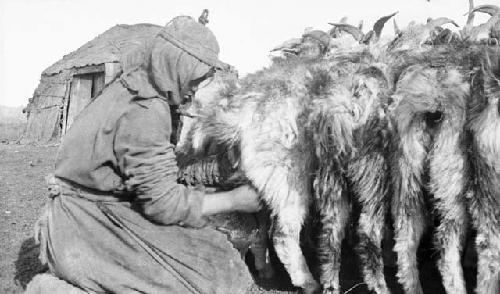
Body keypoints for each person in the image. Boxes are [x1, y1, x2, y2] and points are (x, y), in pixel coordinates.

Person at [31, 15, 261, 294]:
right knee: (213, 275)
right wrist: (235, 199)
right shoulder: (146, 110)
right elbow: (162, 204)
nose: (194, 87)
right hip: (86, 226)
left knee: (212, 252)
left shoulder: (130, 84)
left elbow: (145, 171)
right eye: (194, 77)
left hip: (87, 212)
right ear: (178, 67)